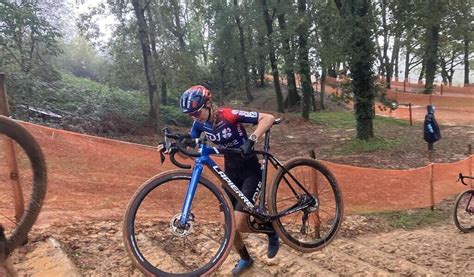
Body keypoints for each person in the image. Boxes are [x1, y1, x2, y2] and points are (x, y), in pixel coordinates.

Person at [179, 84, 279, 276]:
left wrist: (252, 139)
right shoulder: (199, 124)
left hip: (250, 171)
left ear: (208, 103)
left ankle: (271, 231)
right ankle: (245, 258)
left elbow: (268, 118)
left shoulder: (229, 115)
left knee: (240, 223)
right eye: (190, 115)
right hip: (230, 173)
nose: (194, 117)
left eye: (197, 112)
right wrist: (173, 148)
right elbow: (188, 151)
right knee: (228, 224)